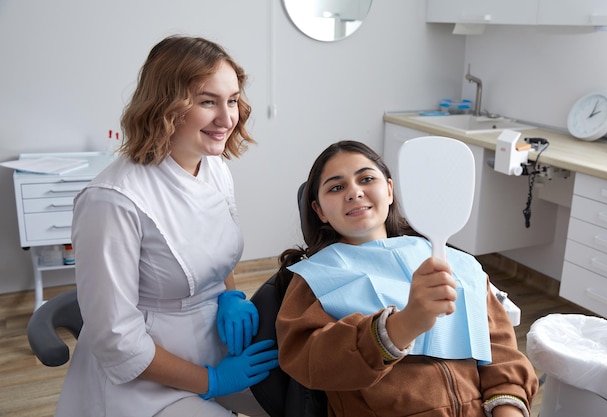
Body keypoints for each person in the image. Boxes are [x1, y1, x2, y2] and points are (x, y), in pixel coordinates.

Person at [56, 35, 278, 417]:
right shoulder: (113, 200)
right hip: (146, 376)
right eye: (208, 101)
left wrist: (229, 296)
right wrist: (211, 381)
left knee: (302, 398)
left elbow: (216, 252)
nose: (227, 119)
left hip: (214, 344)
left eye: (232, 100)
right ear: (166, 105)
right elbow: (117, 341)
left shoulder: (215, 168)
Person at [275, 140, 538, 417]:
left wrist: (508, 408)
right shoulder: (314, 278)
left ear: (389, 190)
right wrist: (402, 325)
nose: (354, 192)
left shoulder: (457, 265)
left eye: (366, 178)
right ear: (319, 211)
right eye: (336, 187)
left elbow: (499, 350)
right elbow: (310, 362)